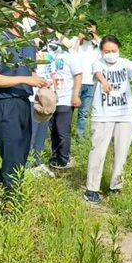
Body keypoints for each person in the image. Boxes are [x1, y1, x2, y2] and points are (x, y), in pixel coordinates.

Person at [0, 3, 49, 200]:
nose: (31, 18)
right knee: (12, 159)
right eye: (26, 13)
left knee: (19, 158)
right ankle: (11, 206)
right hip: (4, 105)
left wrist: (41, 82)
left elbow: (26, 71)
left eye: (32, 13)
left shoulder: (28, 44)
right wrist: (26, 79)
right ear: (14, 15)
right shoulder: (0, 41)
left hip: (23, 103)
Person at [84, 35, 132, 204]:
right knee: (98, 152)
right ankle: (92, 188)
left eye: (113, 51)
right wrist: (103, 81)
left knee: (121, 152)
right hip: (103, 115)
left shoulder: (125, 63)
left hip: (125, 115)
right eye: (107, 51)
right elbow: (98, 73)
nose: (110, 54)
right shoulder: (98, 63)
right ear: (102, 51)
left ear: (119, 49)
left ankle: (116, 186)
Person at [44, 33, 83, 169]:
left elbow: (78, 75)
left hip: (65, 98)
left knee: (62, 130)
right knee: (53, 129)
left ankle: (64, 159)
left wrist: (75, 95)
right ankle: (55, 156)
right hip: (49, 99)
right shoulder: (47, 54)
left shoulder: (70, 54)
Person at [70, 20, 101, 139]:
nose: (88, 32)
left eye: (91, 29)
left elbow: (106, 49)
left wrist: (94, 36)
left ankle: (80, 137)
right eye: (86, 29)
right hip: (74, 82)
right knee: (69, 111)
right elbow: (71, 55)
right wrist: (79, 39)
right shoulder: (74, 40)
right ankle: (64, 135)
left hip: (90, 83)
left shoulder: (97, 44)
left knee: (83, 114)